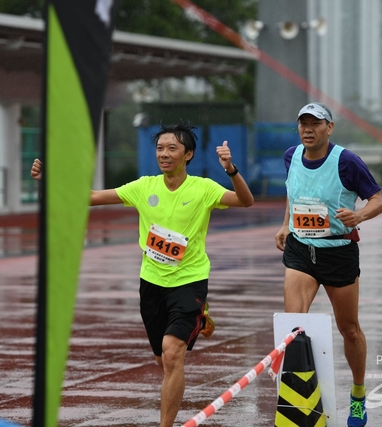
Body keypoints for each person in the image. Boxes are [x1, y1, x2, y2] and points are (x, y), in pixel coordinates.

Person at [31, 122, 254, 427]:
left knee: (172, 354)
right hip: (151, 283)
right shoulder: (143, 187)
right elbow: (91, 197)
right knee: (163, 359)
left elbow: (245, 201)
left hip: (189, 281)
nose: (164, 154)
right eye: (160, 148)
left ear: (188, 154)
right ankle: (197, 320)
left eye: (172, 148)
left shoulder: (203, 188)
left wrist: (230, 170)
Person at [274, 103, 382, 427]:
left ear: (330, 127)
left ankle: (358, 394)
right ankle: (304, 399)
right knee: (294, 328)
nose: (308, 129)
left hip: (338, 252)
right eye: (303, 123)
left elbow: (378, 200)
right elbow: (294, 191)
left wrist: (359, 216)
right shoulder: (291, 156)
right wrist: (286, 224)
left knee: (349, 329)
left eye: (315, 123)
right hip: (300, 249)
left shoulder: (347, 161)